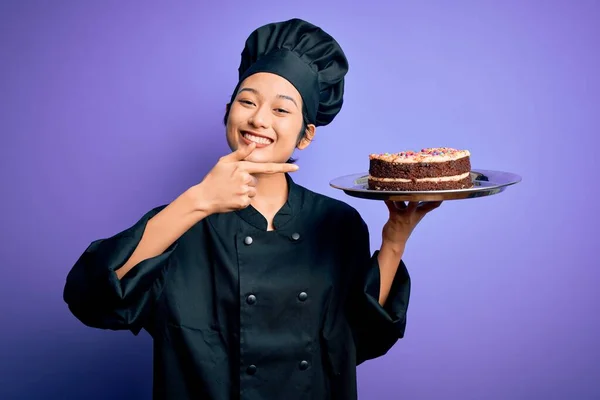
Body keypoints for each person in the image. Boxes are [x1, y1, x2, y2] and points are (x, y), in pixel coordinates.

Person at [63, 18, 441, 400]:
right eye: (247, 101)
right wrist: (198, 201)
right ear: (228, 112)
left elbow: (364, 339)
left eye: (281, 110)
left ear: (306, 135)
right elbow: (92, 301)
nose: (259, 118)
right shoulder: (180, 220)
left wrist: (394, 240)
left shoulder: (337, 223)